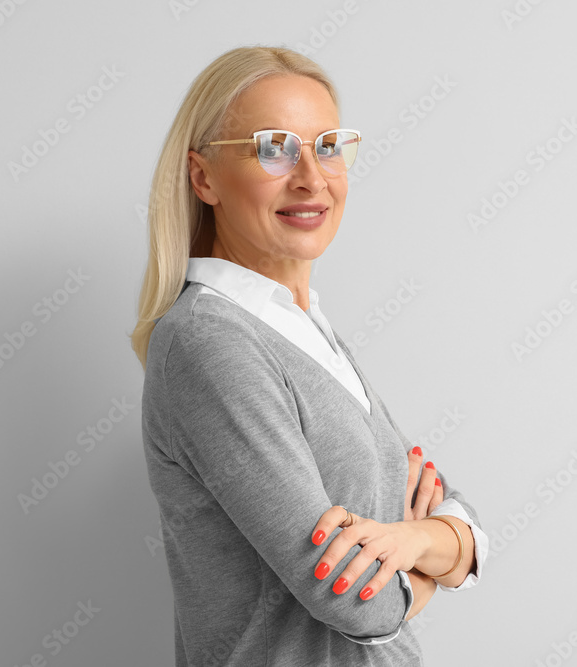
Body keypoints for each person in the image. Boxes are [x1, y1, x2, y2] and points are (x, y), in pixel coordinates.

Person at [129, 46, 488, 666]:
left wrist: (414, 537)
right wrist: (437, 556)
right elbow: (358, 604)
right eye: (273, 147)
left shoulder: (302, 328)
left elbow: (450, 501)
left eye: (327, 145)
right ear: (203, 177)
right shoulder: (209, 342)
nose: (311, 177)